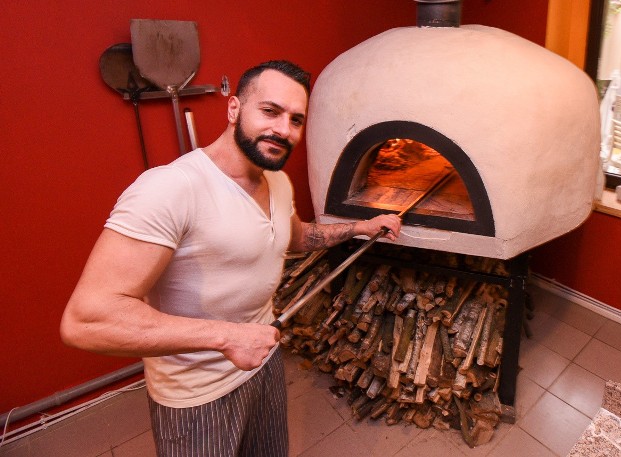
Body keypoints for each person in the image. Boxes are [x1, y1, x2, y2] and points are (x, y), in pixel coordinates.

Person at [60, 60, 401, 456]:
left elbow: (297, 236)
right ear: (235, 109)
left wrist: (360, 227)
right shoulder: (170, 188)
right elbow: (87, 319)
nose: (283, 130)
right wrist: (227, 337)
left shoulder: (276, 179)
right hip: (196, 393)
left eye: (295, 119)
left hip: (262, 361)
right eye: (270, 111)